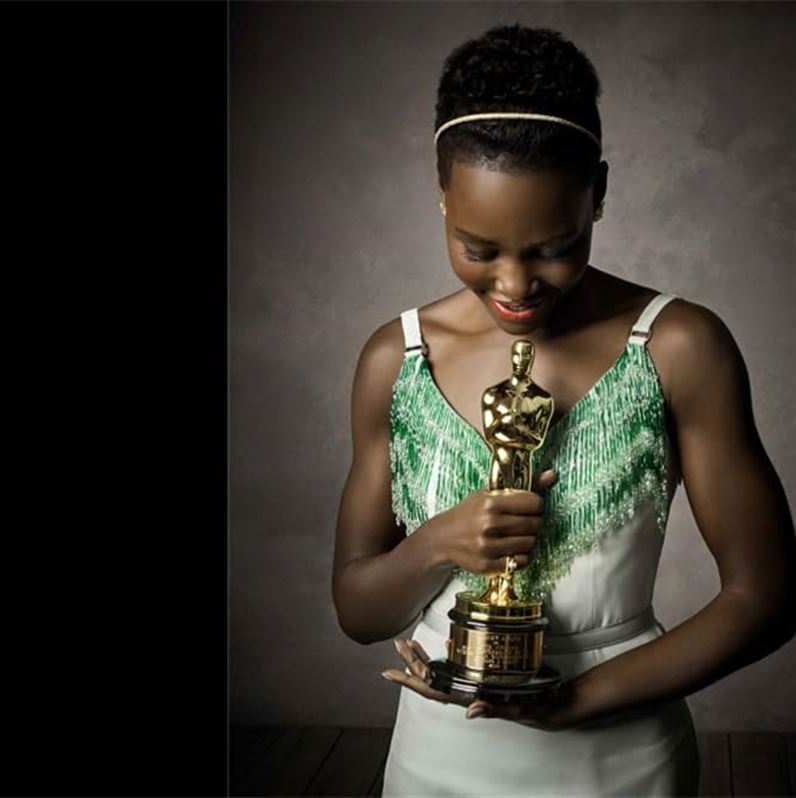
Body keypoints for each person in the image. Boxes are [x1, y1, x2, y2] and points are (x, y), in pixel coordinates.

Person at [330, 23, 796, 797]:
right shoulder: (394, 357)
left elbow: (767, 596)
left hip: (619, 749)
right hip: (438, 756)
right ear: (442, 192)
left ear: (600, 194)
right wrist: (438, 543)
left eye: (555, 245)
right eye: (479, 249)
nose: (517, 284)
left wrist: (579, 698)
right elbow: (356, 607)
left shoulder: (679, 346)